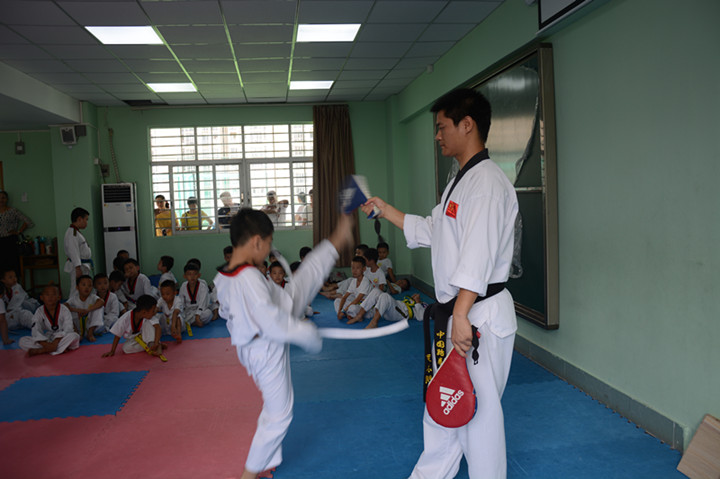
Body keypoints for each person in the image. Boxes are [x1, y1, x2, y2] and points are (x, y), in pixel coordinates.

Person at [361, 88, 519, 479]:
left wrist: (461, 315)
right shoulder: (461, 181)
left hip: (477, 315)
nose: (437, 136)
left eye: (441, 127)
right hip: (460, 313)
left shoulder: (486, 184)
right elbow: (436, 230)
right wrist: (385, 209)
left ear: (467, 125)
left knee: (478, 420)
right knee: (443, 410)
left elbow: (478, 254)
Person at [213, 208, 352, 479]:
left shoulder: (227, 275)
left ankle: (340, 235)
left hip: (271, 321)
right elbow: (272, 324)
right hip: (265, 347)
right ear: (256, 241)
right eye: (269, 243)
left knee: (306, 276)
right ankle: (248, 474)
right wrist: (307, 333)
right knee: (279, 414)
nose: (269, 250)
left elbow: (231, 312)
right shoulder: (248, 278)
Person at [19, 285, 80, 356]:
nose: (50, 297)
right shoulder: (39, 311)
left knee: (74, 336)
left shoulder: (64, 309)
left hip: (61, 337)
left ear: (59, 297)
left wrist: (56, 342)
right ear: (42, 297)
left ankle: (43, 350)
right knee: (22, 341)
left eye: (53, 294)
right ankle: (58, 348)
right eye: (47, 294)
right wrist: (45, 344)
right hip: (47, 338)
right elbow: (36, 329)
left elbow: (68, 328)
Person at [0, 190, 33, 275]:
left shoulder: (12, 211)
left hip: (10, 241)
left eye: (3, 198)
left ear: (7, 199)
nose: (1, 200)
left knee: (12, 266)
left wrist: (19, 231)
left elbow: (28, 222)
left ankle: (15, 283)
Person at [66, 274, 104, 342]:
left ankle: (90, 334)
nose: (87, 287)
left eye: (89, 286)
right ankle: (77, 334)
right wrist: (77, 310)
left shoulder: (93, 297)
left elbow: (101, 302)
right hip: (77, 327)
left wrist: (87, 310)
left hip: (90, 326)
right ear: (77, 287)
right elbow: (64, 306)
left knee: (99, 308)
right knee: (66, 311)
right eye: (83, 285)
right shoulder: (74, 299)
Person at [63, 207, 92, 295]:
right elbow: (73, 251)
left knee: (83, 288)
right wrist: (78, 268)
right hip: (78, 266)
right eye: (86, 219)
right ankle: (72, 304)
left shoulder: (76, 232)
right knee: (76, 289)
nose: (86, 222)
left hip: (82, 265)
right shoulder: (72, 233)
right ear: (79, 219)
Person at [334, 256, 371, 321]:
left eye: (357, 268)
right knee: (337, 301)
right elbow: (344, 297)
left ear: (364, 269)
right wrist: (339, 311)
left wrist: (343, 311)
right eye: (353, 268)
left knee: (353, 308)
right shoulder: (354, 281)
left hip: (364, 307)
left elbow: (357, 300)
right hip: (356, 304)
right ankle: (349, 314)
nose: (354, 270)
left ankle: (350, 314)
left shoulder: (366, 281)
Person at [179, 262, 211, 329]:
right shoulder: (183, 286)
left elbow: (202, 303)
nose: (192, 277)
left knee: (208, 313)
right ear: (184, 276)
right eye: (189, 274)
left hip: (200, 310)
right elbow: (181, 302)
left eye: (195, 274)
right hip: (188, 311)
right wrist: (181, 312)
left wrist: (197, 316)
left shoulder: (203, 287)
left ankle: (190, 322)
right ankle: (193, 322)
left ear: (199, 275)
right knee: (179, 316)